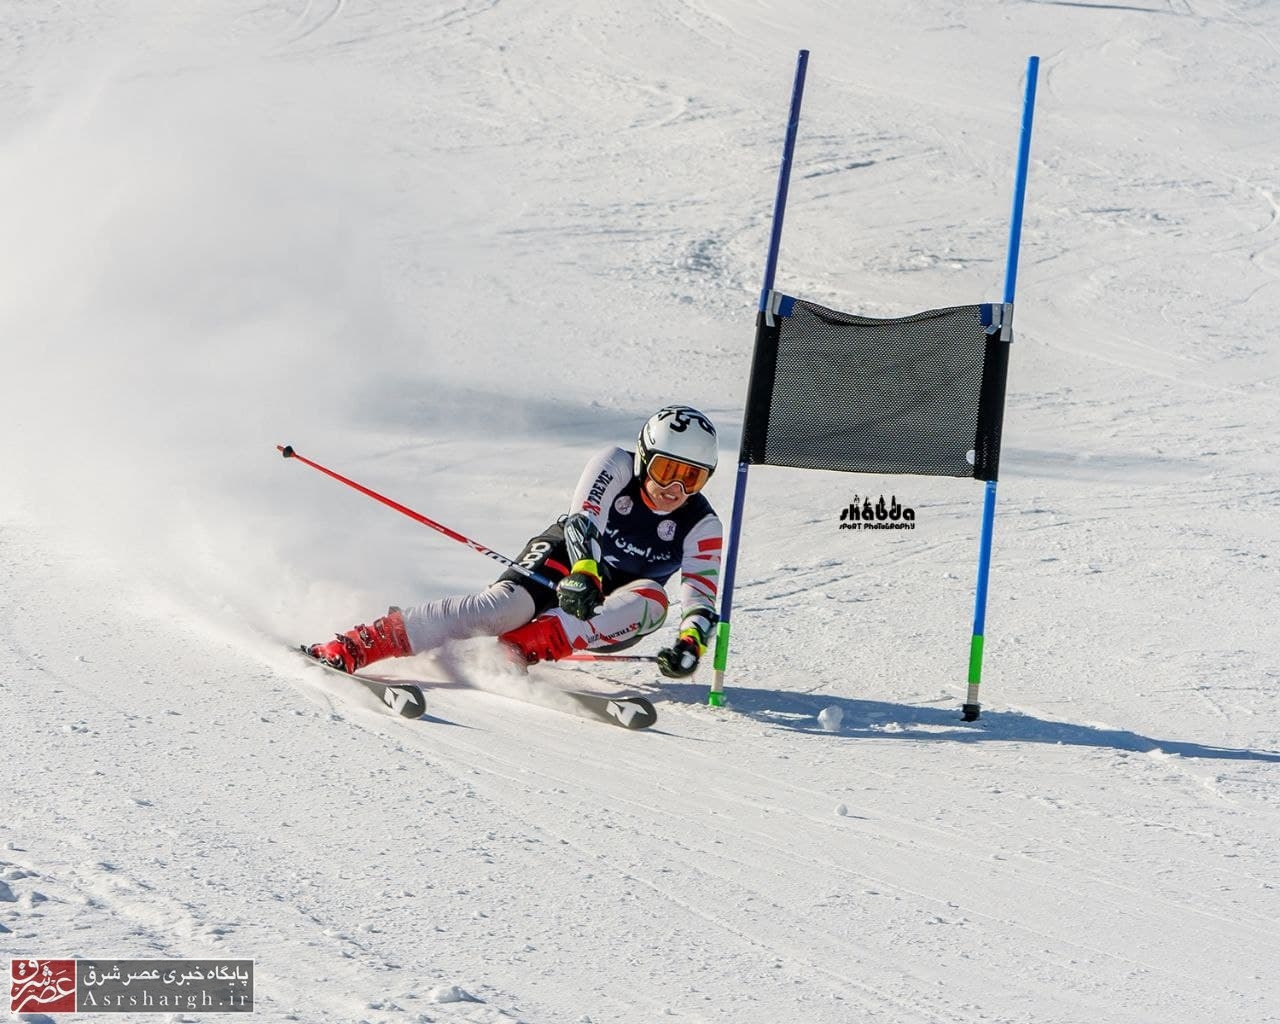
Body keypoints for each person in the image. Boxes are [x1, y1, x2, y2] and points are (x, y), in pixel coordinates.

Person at [305, 405, 722, 680]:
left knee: (654, 601)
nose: (674, 487)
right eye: (667, 469)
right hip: (571, 562)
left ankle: (513, 653)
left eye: (692, 477)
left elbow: (701, 598)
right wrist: (583, 572)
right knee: (504, 609)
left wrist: (691, 644)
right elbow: (583, 522)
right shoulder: (615, 464)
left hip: (616, 608)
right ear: (645, 456)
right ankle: (359, 644)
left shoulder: (702, 524)